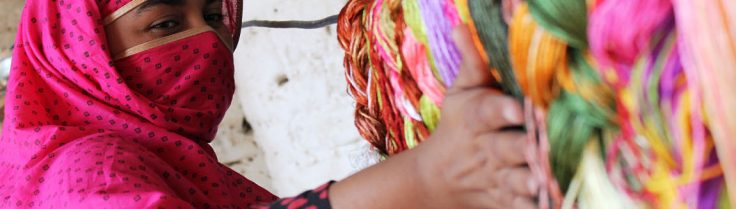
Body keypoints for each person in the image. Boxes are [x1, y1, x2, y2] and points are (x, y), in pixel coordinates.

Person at [0, 0, 538, 208]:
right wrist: (425, 177)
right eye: (165, 23)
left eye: (214, 17)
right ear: (81, 53)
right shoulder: (82, 171)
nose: (208, 44)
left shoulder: (170, 164)